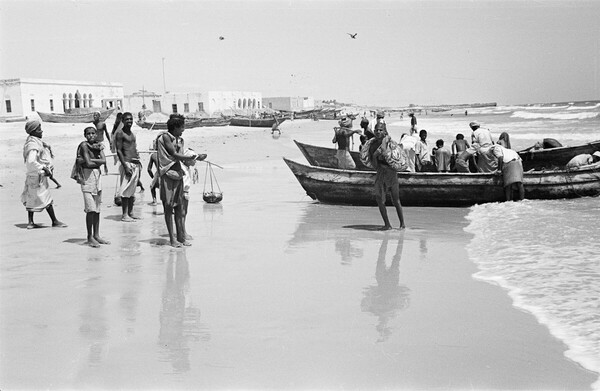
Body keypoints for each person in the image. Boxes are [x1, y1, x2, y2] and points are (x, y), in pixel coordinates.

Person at [157, 114, 204, 247]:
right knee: (168, 207)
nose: (183, 129)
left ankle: (181, 237)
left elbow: (181, 157)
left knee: (179, 207)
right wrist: (191, 157)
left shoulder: (180, 140)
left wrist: (194, 158)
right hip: (167, 174)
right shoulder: (165, 137)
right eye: (182, 127)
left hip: (178, 174)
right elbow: (173, 154)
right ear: (175, 127)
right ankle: (172, 239)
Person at [21, 120, 67, 229]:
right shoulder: (33, 144)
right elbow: (31, 161)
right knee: (46, 198)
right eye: (39, 129)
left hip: (32, 176)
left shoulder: (32, 141)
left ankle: (31, 222)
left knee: (31, 198)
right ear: (34, 131)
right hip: (37, 176)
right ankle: (54, 221)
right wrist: (43, 167)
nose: (42, 131)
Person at [368, 122, 406, 230]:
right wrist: (375, 156)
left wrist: (384, 151)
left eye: (380, 130)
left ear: (384, 132)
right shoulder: (373, 146)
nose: (378, 132)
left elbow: (396, 159)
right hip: (380, 173)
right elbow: (374, 166)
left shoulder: (390, 144)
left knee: (396, 200)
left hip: (391, 173)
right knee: (379, 199)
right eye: (376, 130)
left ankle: (402, 224)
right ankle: (387, 224)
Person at [77, 127, 110, 247]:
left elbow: (104, 160)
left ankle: (96, 235)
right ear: (85, 135)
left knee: (97, 209)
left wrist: (89, 160)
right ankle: (89, 236)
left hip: (97, 177)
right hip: (87, 178)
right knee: (90, 209)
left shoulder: (98, 145)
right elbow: (91, 164)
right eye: (88, 134)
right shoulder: (84, 146)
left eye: (93, 133)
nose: (91, 136)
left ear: (96, 134)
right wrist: (97, 161)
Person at [114, 112, 142, 222]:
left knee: (132, 190)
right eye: (127, 119)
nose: (129, 121)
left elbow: (133, 148)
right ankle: (124, 214)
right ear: (123, 121)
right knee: (125, 191)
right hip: (127, 163)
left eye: (131, 119)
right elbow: (119, 150)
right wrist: (125, 166)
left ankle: (130, 212)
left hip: (135, 163)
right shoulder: (120, 133)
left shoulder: (132, 134)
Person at [147, 139, 160, 205]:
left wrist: (153, 177)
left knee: (152, 186)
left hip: (158, 173)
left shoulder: (153, 155)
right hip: (167, 172)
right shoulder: (166, 153)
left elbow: (149, 169)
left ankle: (154, 200)